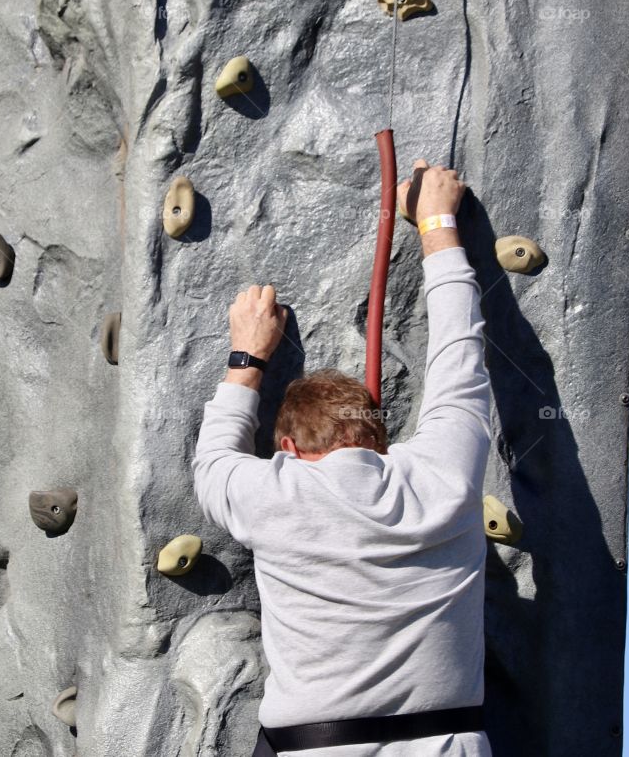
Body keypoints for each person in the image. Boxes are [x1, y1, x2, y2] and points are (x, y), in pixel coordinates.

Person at [193, 159, 493, 757]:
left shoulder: (274, 495)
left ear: (288, 449)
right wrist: (436, 222)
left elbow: (212, 460)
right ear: (381, 439)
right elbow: (461, 356)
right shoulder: (443, 475)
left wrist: (249, 354)